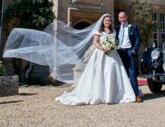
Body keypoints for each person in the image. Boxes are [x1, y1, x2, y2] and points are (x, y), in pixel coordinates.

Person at [4, 13, 136, 105]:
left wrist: (112, 47)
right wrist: (103, 48)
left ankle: (113, 95)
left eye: (109, 20)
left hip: (112, 55)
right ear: (103, 22)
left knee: (113, 73)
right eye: (106, 20)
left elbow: (116, 41)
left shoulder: (113, 31)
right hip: (101, 54)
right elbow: (95, 43)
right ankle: (101, 96)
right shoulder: (98, 31)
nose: (107, 22)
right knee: (101, 74)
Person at [115, 11, 142, 103]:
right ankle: (124, 95)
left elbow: (138, 39)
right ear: (118, 19)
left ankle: (136, 95)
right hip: (120, 53)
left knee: (132, 74)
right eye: (121, 18)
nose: (122, 19)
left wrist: (134, 50)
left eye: (124, 17)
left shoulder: (133, 27)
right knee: (121, 74)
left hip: (130, 51)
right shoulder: (117, 28)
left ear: (127, 17)